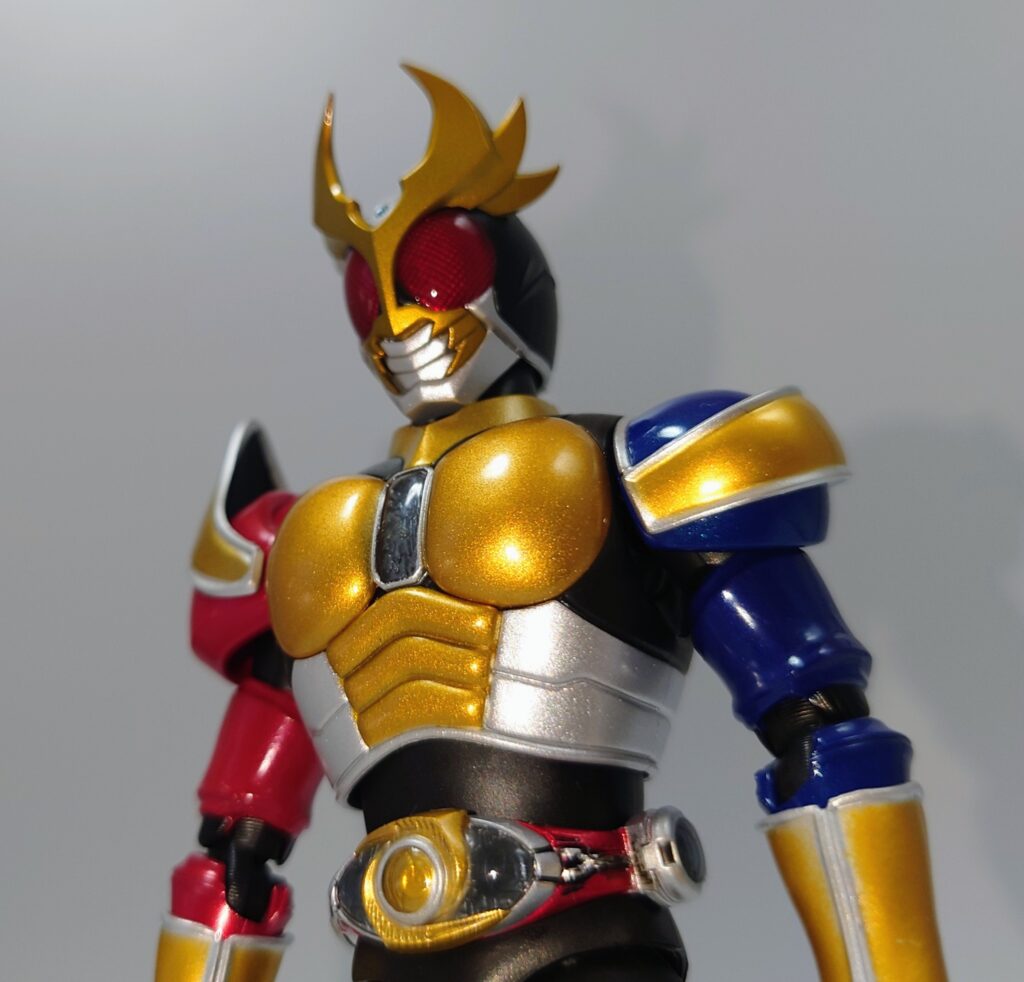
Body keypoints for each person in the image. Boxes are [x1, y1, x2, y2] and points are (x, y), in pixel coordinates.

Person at [154, 66, 947, 982]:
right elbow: (236, 855)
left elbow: (822, 735)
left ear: (510, 279)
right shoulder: (311, 538)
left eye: (434, 274)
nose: (402, 319)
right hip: (390, 955)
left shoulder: (634, 470)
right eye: (373, 293)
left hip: (585, 947)